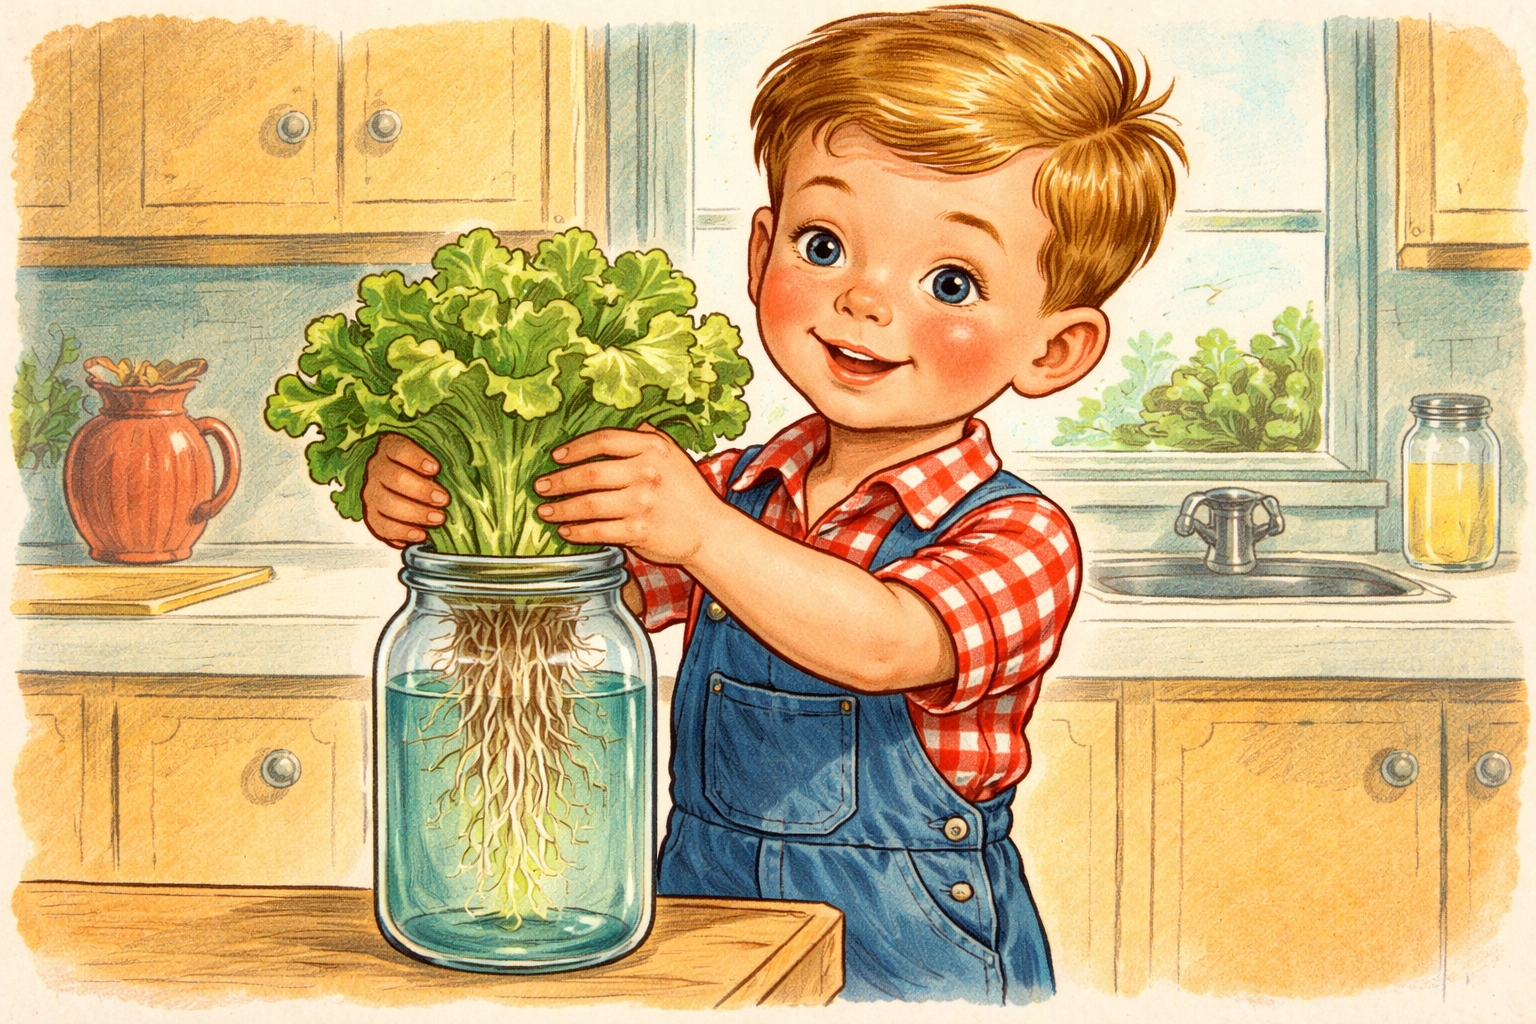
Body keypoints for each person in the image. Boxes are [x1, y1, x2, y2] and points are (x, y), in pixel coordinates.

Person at [361, 6, 1184, 1003]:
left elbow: (886, 642)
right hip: (701, 927)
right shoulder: (735, 486)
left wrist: (703, 532)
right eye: (825, 243)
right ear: (761, 253)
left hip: (913, 956)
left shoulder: (1019, 535)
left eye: (952, 279)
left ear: (1053, 349)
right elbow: (564, 574)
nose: (867, 300)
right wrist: (442, 494)